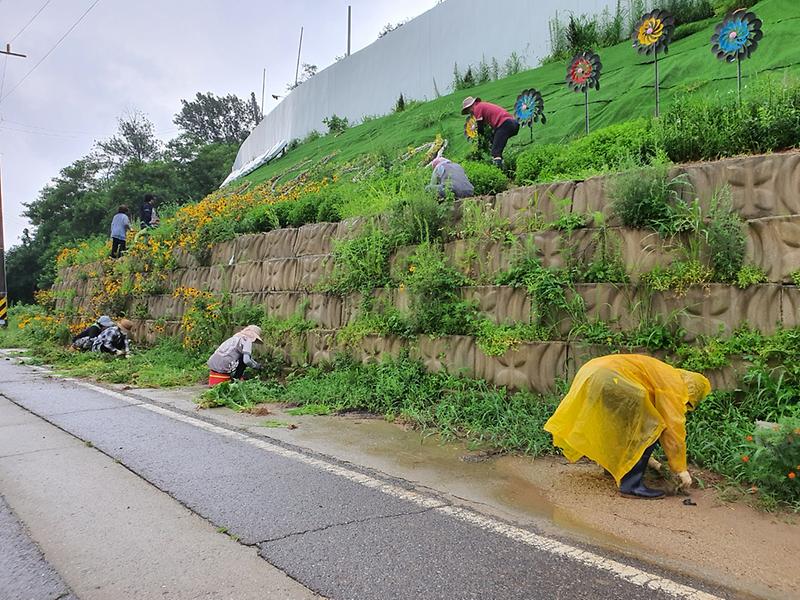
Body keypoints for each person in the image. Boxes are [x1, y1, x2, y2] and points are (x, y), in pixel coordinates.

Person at [544, 354, 711, 499]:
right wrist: (681, 470)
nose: (686, 407)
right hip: (610, 377)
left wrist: (651, 461)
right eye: (688, 404)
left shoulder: (665, 374)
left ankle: (616, 469)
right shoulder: (675, 388)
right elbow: (673, 431)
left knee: (622, 425)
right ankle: (631, 485)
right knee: (650, 427)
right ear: (692, 392)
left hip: (592, 372)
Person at [461, 96, 520, 169]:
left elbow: (480, 127)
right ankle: (505, 167)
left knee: (495, 152)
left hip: (505, 124)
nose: (470, 112)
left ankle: (499, 171)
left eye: (468, 110)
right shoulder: (482, 105)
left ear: (470, 106)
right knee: (495, 143)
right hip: (512, 124)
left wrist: (480, 142)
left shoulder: (477, 108)